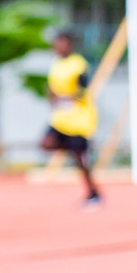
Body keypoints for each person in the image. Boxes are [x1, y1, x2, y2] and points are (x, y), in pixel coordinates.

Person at [41, 31, 102, 209]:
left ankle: (93, 193)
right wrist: (52, 97)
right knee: (46, 143)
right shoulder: (56, 64)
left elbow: (84, 90)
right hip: (61, 118)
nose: (57, 47)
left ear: (69, 44)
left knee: (80, 160)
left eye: (61, 43)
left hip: (79, 118)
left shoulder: (78, 64)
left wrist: (65, 97)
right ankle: (71, 148)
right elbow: (53, 89)